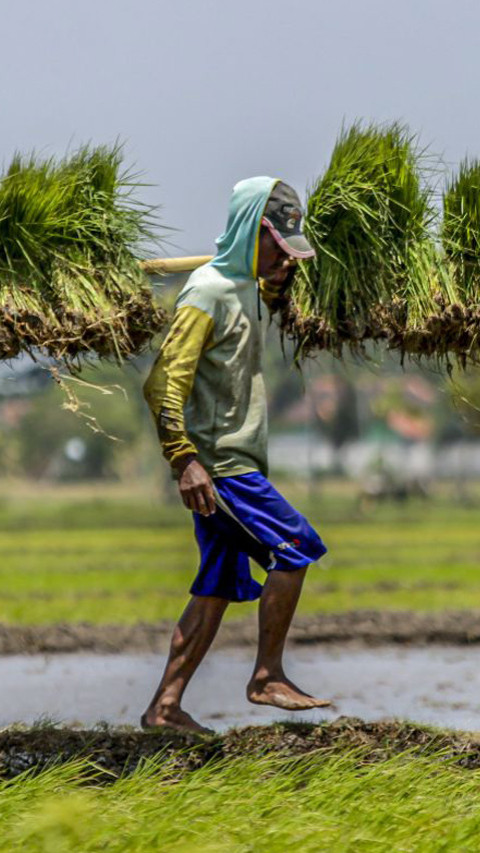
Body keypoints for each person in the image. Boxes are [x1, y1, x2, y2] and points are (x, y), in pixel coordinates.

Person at [142, 177, 330, 733]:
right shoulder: (206, 293)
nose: (284, 257)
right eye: (277, 245)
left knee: (216, 587)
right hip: (221, 468)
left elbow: (259, 301)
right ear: (253, 232)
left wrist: (278, 278)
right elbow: (162, 385)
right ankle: (267, 675)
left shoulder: (242, 286)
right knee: (296, 547)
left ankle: (165, 708)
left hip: (229, 462)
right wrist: (185, 461)